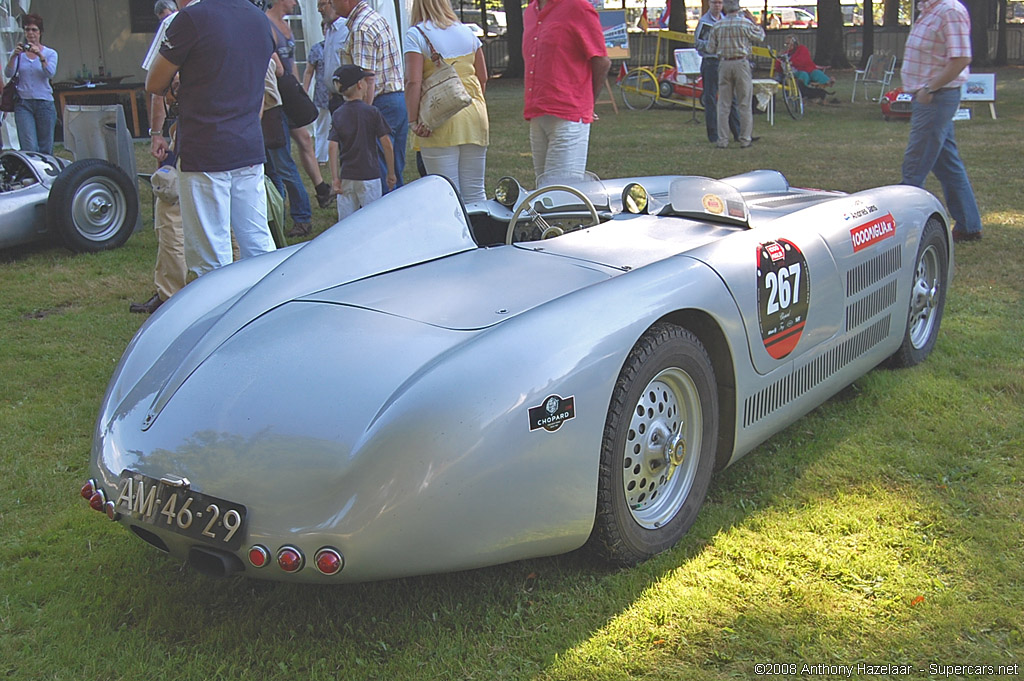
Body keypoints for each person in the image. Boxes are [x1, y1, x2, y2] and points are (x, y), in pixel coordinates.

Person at [146, 0, 276, 278]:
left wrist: (182, 82)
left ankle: (219, 317)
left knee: (211, 258)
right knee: (258, 245)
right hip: (248, 143)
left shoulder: (192, 19)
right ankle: (266, 311)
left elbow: (154, 83)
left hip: (205, 146)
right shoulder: (260, 19)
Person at [900, 0, 982, 243]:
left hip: (936, 97)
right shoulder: (929, 10)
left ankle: (906, 232)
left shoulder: (950, 11)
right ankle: (968, 225)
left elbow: (961, 58)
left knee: (914, 166)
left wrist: (929, 87)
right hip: (929, 95)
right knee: (947, 163)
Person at [131, 0, 191, 315]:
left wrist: (157, 132)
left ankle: (172, 296)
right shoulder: (244, 18)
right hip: (236, 134)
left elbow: (157, 85)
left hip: (192, 130)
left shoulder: (178, 23)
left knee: (170, 209)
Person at [403, 0, 489, 202]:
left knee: (447, 196)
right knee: (476, 192)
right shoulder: (468, 33)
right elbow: (483, 77)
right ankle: (481, 232)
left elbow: (413, 82)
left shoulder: (416, 35)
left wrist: (413, 121)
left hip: (439, 118)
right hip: (474, 115)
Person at [522, 0, 610, 184]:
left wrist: (587, 102)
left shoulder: (578, 6)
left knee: (561, 194)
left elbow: (601, 61)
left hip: (569, 115)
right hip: (538, 114)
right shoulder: (531, 11)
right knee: (543, 192)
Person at [331, 0, 408, 193]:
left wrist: (362, 115)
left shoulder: (361, 28)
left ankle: (382, 218)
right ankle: (398, 214)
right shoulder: (374, 18)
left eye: (332, 1)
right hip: (397, 99)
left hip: (381, 102)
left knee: (378, 171)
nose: (331, 5)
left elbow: (366, 80)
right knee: (394, 169)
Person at [328, 64, 396, 219]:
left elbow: (332, 146)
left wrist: (335, 178)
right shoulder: (372, 112)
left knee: (345, 222)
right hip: (369, 175)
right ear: (360, 85)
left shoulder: (338, 114)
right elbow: (386, 143)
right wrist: (391, 173)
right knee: (372, 218)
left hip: (347, 176)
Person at [706, 0, 763, 149]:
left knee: (724, 104)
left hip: (724, 63)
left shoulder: (717, 25)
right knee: (744, 103)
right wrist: (754, 21)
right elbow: (760, 36)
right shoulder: (745, 24)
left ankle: (722, 140)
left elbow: (710, 48)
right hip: (741, 63)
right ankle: (745, 139)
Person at [4, 13, 58, 155]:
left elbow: (50, 73)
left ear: (40, 32)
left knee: (45, 146)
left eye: (34, 30)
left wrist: (41, 57)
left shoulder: (50, 53)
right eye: (27, 30)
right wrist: (14, 56)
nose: (31, 33)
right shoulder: (20, 54)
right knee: (29, 146)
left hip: (44, 103)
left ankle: (46, 175)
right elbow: (8, 73)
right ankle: (30, 175)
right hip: (23, 103)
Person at [695, 0, 739, 145]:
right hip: (711, 63)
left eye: (720, 3)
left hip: (725, 62)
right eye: (714, 3)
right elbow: (698, 44)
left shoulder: (726, 20)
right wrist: (712, 46)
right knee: (711, 99)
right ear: (709, 4)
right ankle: (713, 134)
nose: (717, 6)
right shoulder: (704, 22)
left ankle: (738, 133)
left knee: (731, 98)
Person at [303, 31, 331, 164]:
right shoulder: (317, 49)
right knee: (322, 127)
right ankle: (321, 157)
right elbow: (309, 72)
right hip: (322, 96)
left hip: (340, 94)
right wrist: (304, 92)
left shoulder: (343, 46)